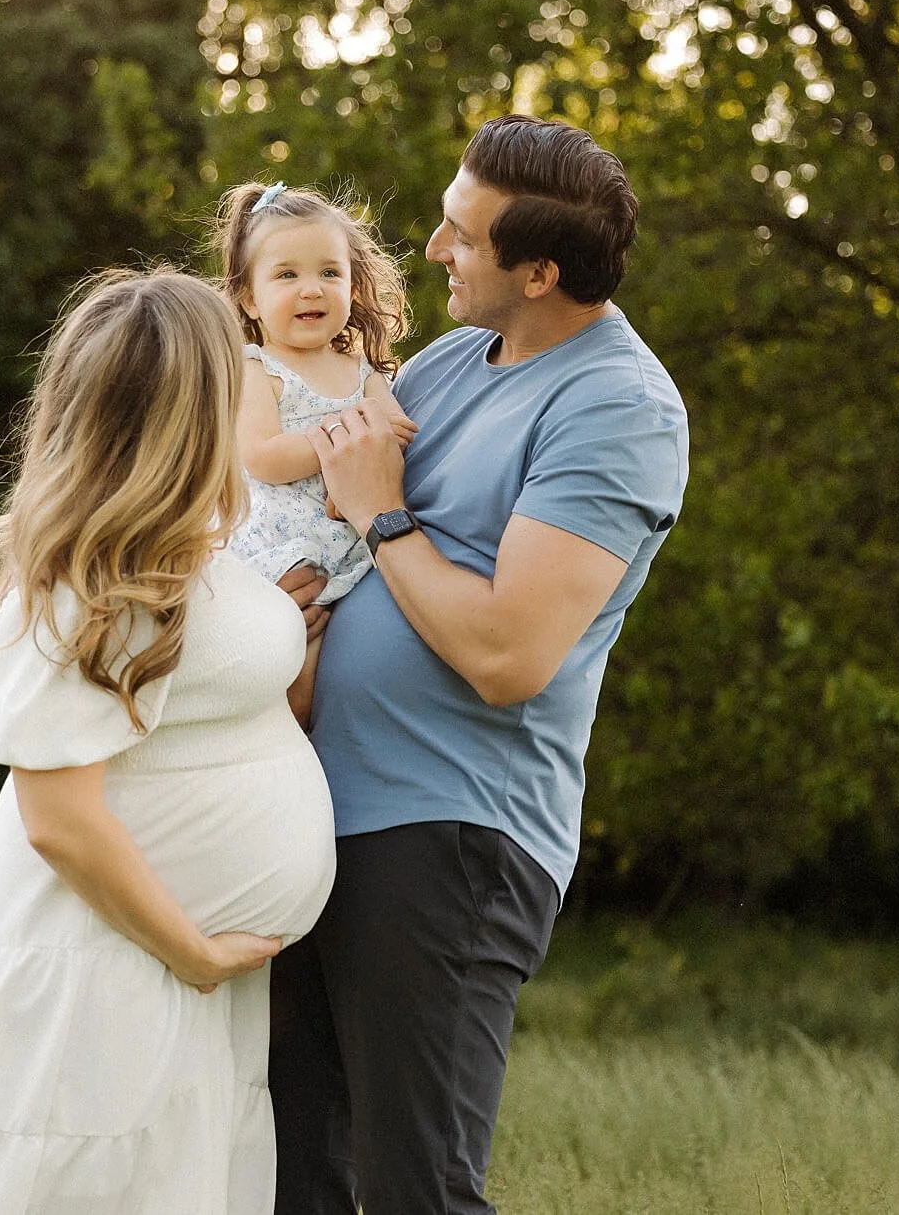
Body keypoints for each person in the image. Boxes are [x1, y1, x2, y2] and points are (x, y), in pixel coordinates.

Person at [268, 115, 690, 1214]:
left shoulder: (618, 409)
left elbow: (508, 654)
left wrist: (382, 518)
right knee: (284, 1177)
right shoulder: (455, 359)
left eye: (461, 234)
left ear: (539, 271)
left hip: (448, 835)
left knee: (416, 1190)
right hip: (314, 812)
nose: (433, 250)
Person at [0, 269, 338, 1214]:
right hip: (102, 975)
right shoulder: (78, 570)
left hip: (173, 985)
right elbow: (58, 819)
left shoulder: (199, 546)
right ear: (189, 408)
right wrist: (194, 953)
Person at [213, 180, 414, 717]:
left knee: (334, 673)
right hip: (281, 547)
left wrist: (368, 449)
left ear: (353, 285)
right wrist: (345, 443)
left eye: (330, 273)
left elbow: (395, 436)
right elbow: (265, 457)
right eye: (287, 275)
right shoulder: (256, 368)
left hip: (349, 545)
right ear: (249, 298)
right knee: (289, 670)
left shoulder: (364, 373)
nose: (312, 289)